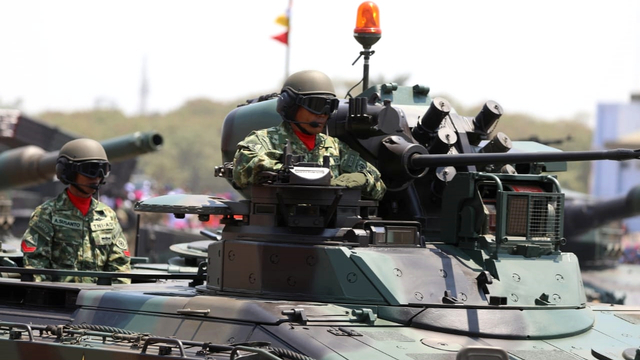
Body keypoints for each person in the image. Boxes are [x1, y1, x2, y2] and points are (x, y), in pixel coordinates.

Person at [233, 70, 386, 200]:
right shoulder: (265, 140)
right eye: (316, 106)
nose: (323, 115)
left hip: (329, 226)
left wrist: (361, 179)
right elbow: (243, 168)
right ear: (291, 106)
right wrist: (288, 173)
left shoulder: (334, 147)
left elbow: (379, 186)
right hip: (278, 224)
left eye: (329, 107)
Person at [21, 138, 131, 284]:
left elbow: (120, 267)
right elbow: (36, 268)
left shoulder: (108, 216)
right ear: (69, 172)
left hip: (100, 303)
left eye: (102, 170)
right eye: (90, 170)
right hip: (60, 302)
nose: (97, 177)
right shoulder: (47, 214)